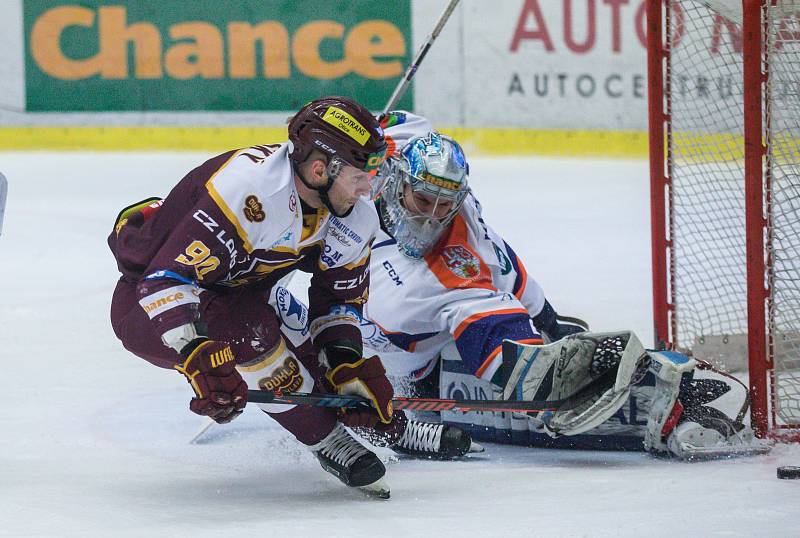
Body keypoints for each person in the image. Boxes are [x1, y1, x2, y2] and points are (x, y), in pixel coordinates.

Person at [354, 111, 766, 459]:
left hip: (386, 368)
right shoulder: (388, 152)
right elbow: (391, 122)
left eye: (444, 206)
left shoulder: (457, 274)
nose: (430, 218)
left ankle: (658, 399)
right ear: (397, 180)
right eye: (423, 201)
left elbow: (497, 299)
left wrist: (548, 349)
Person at [109, 96, 402, 497]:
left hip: (241, 290)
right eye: (358, 177)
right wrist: (197, 351)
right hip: (145, 305)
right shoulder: (248, 193)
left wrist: (344, 362)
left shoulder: (355, 214)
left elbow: (337, 301)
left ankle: (371, 418)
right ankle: (324, 437)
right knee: (250, 335)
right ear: (320, 170)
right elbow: (164, 281)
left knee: (314, 362)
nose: (367, 188)